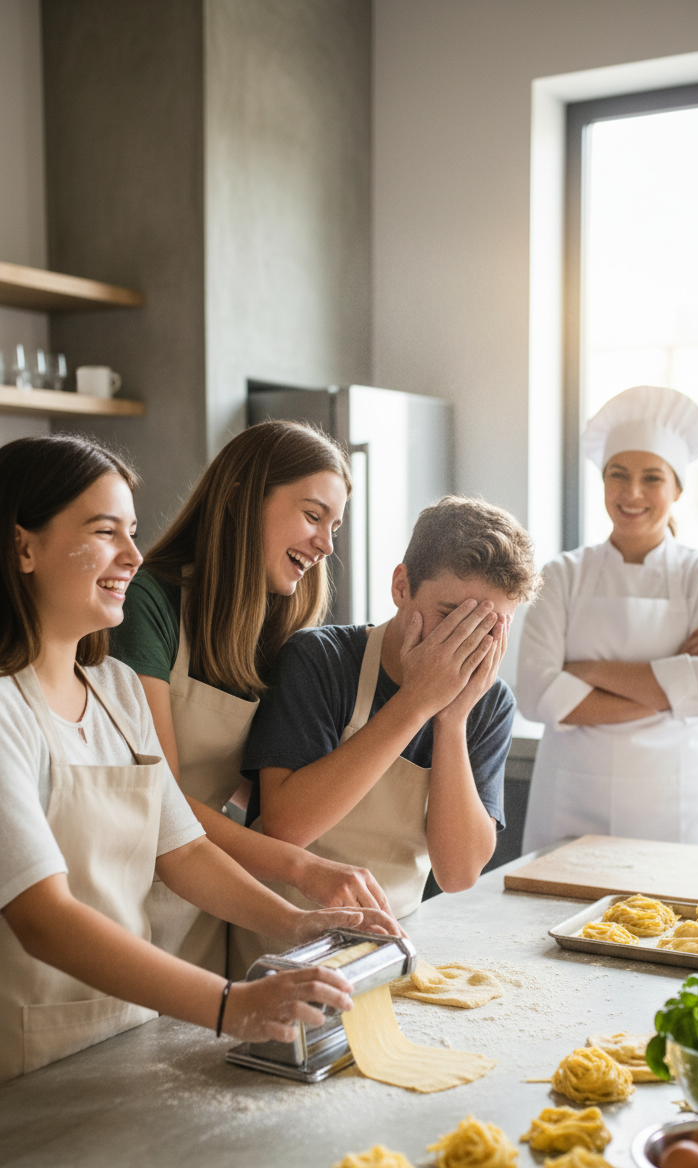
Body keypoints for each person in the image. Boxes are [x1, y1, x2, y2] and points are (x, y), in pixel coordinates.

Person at [0, 434, 398, 1085]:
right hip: (24, 1059)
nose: (133, 555)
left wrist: (297, 921)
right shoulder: (4, 709)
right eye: (106, 532)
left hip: (124, 1034)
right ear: (24, 547)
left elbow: (180, 849)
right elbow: (43, 918)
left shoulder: (116, 690)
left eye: (132, 531)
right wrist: (229, 1005)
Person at [110, 421, 392, 977]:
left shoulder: (272, 625)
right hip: (125, 893)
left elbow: (254, 792)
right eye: (313, 516)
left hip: (208, 900)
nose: (327, 544)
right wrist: (304, 870)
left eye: (335, 527)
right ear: (242, 498)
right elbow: (161, 801)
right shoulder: (146, 603)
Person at [237, 496, 540, 966]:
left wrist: (450, 718)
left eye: (488, 628)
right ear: (402, 586)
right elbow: (285, 828)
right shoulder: (320, 660)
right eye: (450, 615)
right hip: (280, 947)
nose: (463, 643)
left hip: (392, 948)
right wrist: (416, 702)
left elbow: (458, 872)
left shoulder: (490, 703)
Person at [517, 385, 698, 852]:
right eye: (618, 475)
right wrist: (670, 688)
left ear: (678, 487)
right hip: (572, 800)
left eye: (653, 478)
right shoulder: (561, 575)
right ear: (602, 482)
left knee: (682, 924)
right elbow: (536, 696)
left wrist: (589, 672)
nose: (633, 492)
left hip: (677, 803)